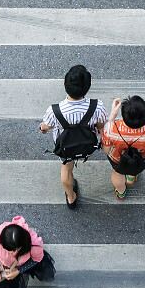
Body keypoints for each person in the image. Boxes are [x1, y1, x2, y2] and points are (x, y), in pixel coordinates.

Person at [39, 65, 107, 209]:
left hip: (65, 148)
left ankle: (71, 198)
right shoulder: (97, 106)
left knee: (66, 169)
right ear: (88, 87)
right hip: (87, 145)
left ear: (64, 83)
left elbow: (46, 126)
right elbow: (101, 126)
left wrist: (42, 128)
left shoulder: (54, 111)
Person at [102, 95, 145, 200]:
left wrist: (112, 117)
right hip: (139, 156)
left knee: (117, 174)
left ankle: (121, 192)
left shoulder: (111, 128)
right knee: (133, 165)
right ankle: (131, 178)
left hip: (117, 159)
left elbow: (106, 149)